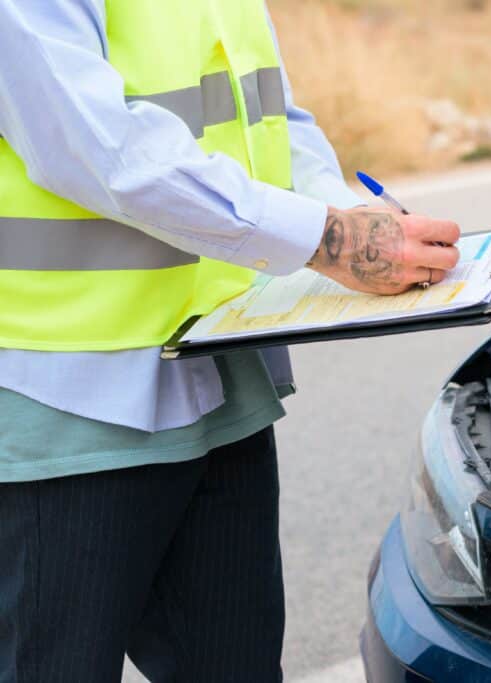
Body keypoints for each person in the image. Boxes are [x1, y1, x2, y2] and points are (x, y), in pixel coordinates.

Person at [0, 2, 460, 681]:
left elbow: (269, 119)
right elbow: (99, 147)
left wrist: (346, 210)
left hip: (218, 379)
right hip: (74, 404)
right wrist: (327, 239)